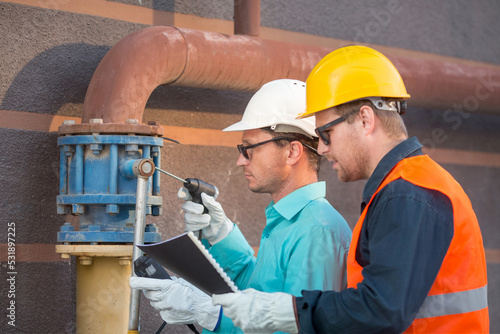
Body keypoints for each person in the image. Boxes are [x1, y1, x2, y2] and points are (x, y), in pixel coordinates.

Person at [212, 46, 489, 333]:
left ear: (366, 120)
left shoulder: (407, 194)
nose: (320, 148)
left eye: (326, 134)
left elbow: (381, 310)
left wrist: (291, 312)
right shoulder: (404, 186)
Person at [130, 79, 352, 333]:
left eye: (248, 149)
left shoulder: (316, 231)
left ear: (292, 152)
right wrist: (221, 235)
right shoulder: (290, 221)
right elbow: (259, 293)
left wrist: (213, 314)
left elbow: (297, 328)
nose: (239, 161)